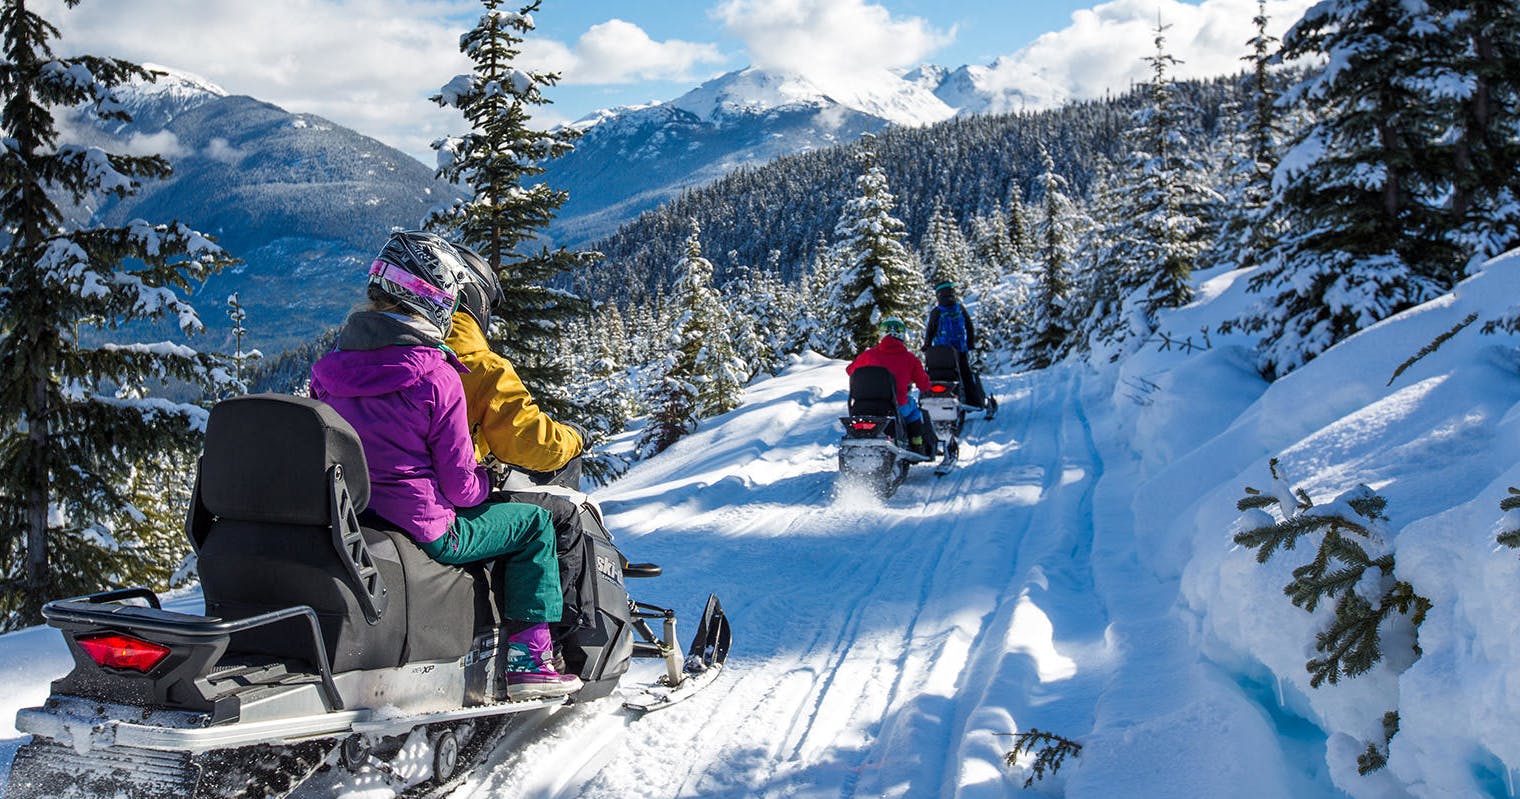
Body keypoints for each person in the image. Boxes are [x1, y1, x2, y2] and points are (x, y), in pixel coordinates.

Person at [309, 230, 581, 701]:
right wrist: (488, 482)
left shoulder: (328, 370)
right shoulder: (438, 374)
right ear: (438, 299)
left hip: (355, 516)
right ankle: (529, 659)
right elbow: (459, 489)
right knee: (534, 525)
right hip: (428, 528)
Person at [443, 242, 599, 634]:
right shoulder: (479, 365)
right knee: (558, 518)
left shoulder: (398, 353)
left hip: (385, 499)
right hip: (446, 503)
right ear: (475, 301)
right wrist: (576, 438)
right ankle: (556, 645)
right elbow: (532, 443)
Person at [846, 317, 936, 456]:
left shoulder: (869, 354)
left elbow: (850, 370)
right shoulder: (910, 358)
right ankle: (916, 444)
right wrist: (926, 388)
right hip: (896, 405)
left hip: (863, 406)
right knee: (914, 411)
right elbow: (923, 384)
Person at [922, 281, 991, 410]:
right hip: (960, 349)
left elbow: (930, 331)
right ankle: (974, 402)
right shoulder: (959, 308)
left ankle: (930, 400)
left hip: (941, 351)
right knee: (965, 375)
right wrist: (970, 344)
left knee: (938, 375)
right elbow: (969, 327)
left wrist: (927, 347)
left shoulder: (936, 312)